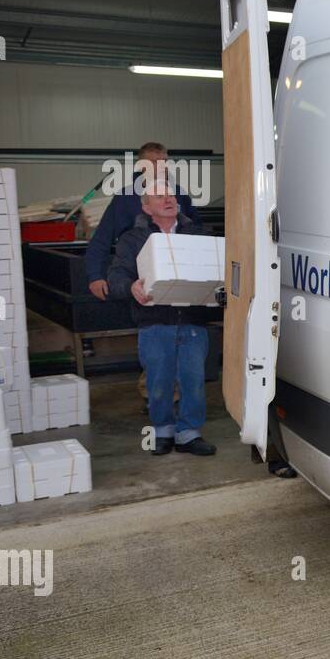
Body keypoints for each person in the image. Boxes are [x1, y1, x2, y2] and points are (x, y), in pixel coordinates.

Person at [107, 175, 217, 457]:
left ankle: (189, 433)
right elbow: (117, 275)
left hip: (192, 320)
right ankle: (163, 431)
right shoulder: (133, 239)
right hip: (154, 322)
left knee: (193, 380)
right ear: (146, 207)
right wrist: (130, 287)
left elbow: (218, 269)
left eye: (171, 196)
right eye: (159, 196)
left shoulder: (199, 235)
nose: (168, 199)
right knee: (159, 380)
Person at [86, 142, 202, 301]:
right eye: (155, 162)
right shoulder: (125, 199)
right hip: (138, 275)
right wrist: (95, 276)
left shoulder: (179, 194)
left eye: (165, 162)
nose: (162, 166)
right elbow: (101, 239)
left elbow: (199, 234)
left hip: (178, 273)